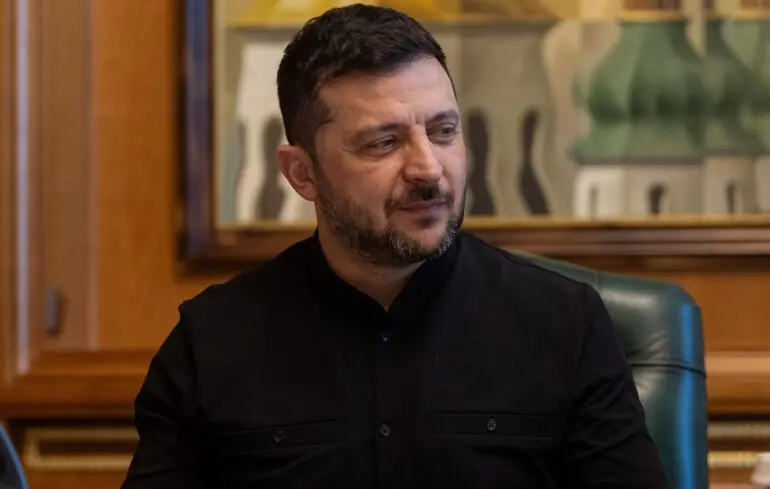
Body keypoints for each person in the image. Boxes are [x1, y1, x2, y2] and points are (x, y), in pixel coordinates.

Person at [121, 4, 670, 488]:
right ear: (302, 173)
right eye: (383, 143)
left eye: (444, 132)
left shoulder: (564, 325)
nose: (428, 168)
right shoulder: (212, 343)